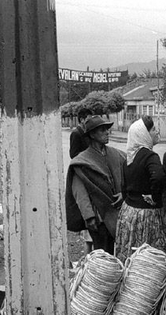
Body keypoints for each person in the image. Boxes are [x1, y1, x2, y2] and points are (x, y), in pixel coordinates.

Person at [65, 116, 125, 254]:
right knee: (103, 254)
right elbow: (79, 191)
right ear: (92, 134)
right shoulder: (82, 161)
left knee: (120, 253)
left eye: (107, 129)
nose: (107, 132)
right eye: (102, 130)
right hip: (99, 218)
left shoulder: (116, 155)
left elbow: (128, 177)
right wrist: (89, 216)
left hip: (119, 214)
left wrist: (124, 194)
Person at [114, 116, 166, 262]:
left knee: (131, 253)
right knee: (150, 259)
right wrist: (155, 198)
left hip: (129, 213)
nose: (157, 132)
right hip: (147, 216)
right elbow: (158, 177)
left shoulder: (130, 157)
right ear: (144, 134)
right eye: (153, 129)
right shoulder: (150, 156)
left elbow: (124, 185)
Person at [68, 107, 94, 255]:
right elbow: (73, 154)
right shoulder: (76, 133)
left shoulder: (87, 132)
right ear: (82, 119)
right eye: (88, 119)